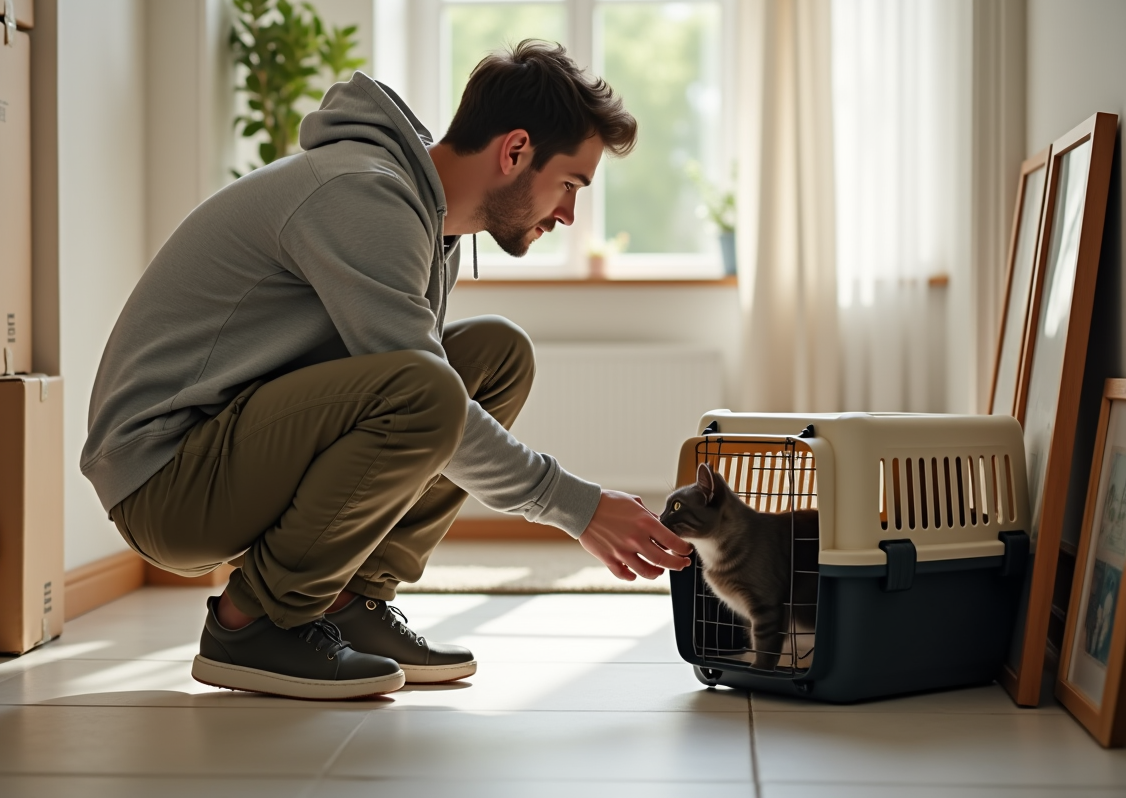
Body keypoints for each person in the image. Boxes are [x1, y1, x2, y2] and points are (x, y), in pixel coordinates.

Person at [81, 40, 693, 701]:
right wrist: (579, 506)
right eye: (570, 184)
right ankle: (253, 621)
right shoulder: (362, 195)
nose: (570, 214)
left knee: (494, 356)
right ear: (515, 152)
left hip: (226, 447)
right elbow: (423, 398)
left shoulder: (425, 223)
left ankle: (348, 601)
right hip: (168, 479)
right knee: (426, 388)